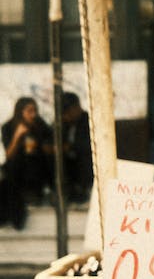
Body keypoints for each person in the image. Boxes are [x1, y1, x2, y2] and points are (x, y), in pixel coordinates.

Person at [0, 96, 54, 229]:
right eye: (29, 111)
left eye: (35, 110)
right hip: (16, 166)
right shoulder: (8, 127)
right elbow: (9, 155)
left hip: (36, 165)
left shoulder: (39, 124)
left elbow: (49, 146)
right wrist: (17, 136)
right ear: (20, 112)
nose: (33, 114)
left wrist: (42, 143)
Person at [61, 91, 94, 204]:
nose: (65, 116)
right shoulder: (65, 124)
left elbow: (86, 146)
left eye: (67, 113)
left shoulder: (89, 121)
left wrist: (70, 147)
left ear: (76, 108)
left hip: (86, 166)